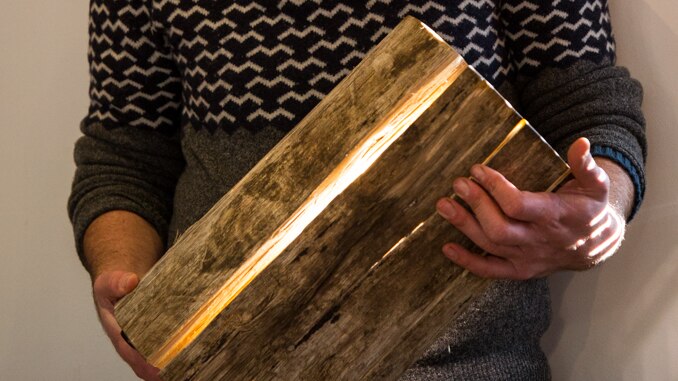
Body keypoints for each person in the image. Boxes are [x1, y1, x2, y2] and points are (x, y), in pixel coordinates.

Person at [68, 1, 646, 380]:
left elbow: (590, 105)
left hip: (465, 366)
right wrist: (124, 278)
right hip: (228, 362)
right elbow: (125, 151)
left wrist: (601, 213)